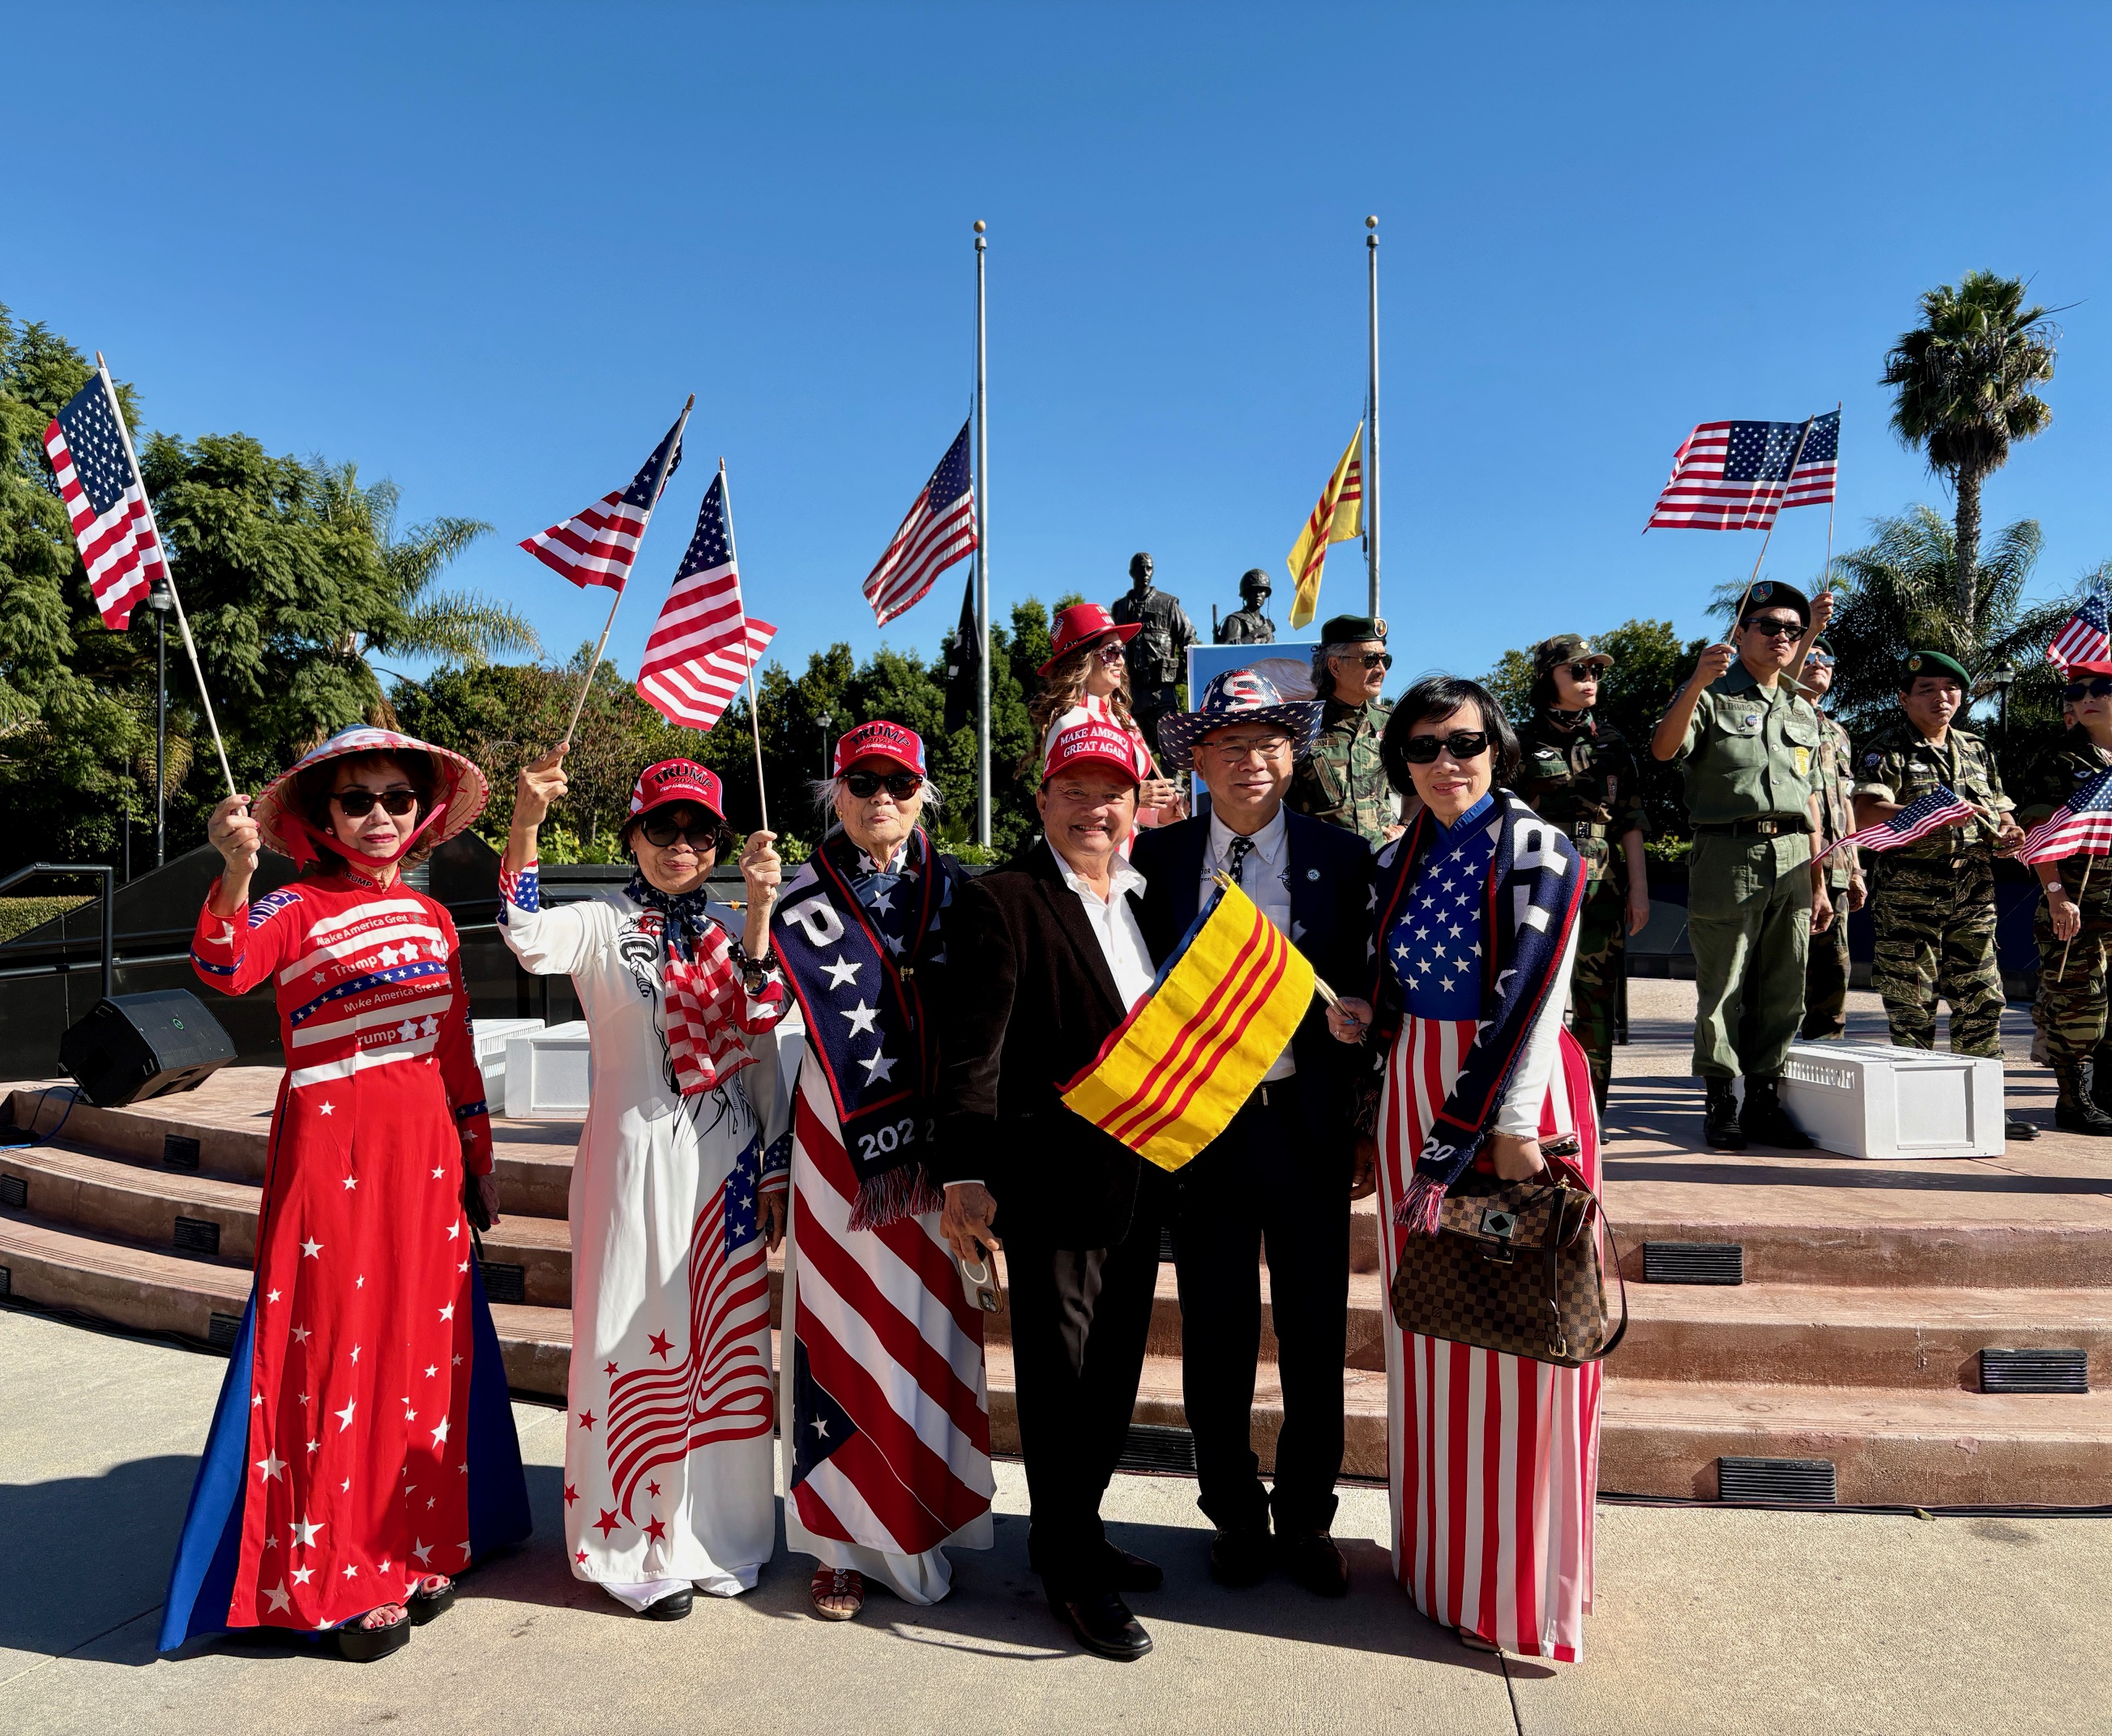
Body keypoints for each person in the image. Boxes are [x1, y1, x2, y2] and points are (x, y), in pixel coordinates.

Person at [162, 728, 530, 1661]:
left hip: (425, 1146)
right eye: (356, 800)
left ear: (422, 812)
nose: (378, 817)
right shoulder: (289, 906)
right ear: (322, 817)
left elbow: (454, 1047)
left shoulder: (433, 920)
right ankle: (337, 1574)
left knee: (421, 1345)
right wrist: (233, 875)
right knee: (334, 1353)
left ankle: (422, 1542)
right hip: (333, 1142)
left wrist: (477, 1156)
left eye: (397, 799)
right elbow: (222, 968)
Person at [1325, 676, 1601, 1661]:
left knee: (1522, 1338)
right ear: (1399, 760)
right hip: (1416, 1098)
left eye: (1466, 742)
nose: (1447, 762)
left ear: (1500, 747)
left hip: (1503, 1099)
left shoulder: (1539, 850)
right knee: (1434, 1333)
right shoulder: (1399, 856)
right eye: (1424, 746)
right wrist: (1361, 1018)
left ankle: (1522, 1590)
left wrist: (1514, 1124)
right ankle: (1441, 1565)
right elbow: (1398, 987)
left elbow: (1538, 996)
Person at [496, 750, 789, 1618]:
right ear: (633, 835)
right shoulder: (598, 920)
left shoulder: (730, 929)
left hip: (725, 1167)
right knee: (633, 1334)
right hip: (633, 1160)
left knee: (726, 1346)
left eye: (699, 832)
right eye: (662, 827)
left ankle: (717, 1534)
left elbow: (763, 1040)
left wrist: (763, 914)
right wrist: (524, 824)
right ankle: (632, 1541)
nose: (681, 844)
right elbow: (522, 932)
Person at [1132, 669, 1373, 1596]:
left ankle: (1306, 1518)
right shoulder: (1152, 861)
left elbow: (1370, 992)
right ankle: (1232, 1514)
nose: (1250, 760)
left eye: (1268, 741)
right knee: (1216, 1333)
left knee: (1314, 1336)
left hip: (1302, 1127)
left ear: (1294, 753)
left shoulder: (1341, 857)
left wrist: (1357, 1097)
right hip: (1199, 1132)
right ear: (1197, 758)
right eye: (1230, 744)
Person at [933, 715, 1168, 1662]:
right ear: (1040, 803)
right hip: (1051, 1182)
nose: (1092, 809)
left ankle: (1080, 1526)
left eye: (1109, 793)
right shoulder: (1006, 900)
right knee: (1061, 1379)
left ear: (1135, 808)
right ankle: (1068, 1570)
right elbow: (972, 1049)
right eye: (1072, 792)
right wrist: (963, 1171)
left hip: (1143, 1176)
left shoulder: (1151, 901)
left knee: (1111, 1374)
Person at [769, 720, 993, 1621]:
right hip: (837, 1147)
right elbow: (754, 1005)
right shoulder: (793, 901)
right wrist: (750, 915)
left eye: (897, 783)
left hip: (939, 1151)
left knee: (930, 1336)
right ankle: (838, 1544)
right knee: (840, 1333)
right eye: (861, 783)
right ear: (835, 793)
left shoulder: (963, 895)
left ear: (924, 791)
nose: (879, 800)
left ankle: (925, 1514)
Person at [1649, 580, 1834, 1151]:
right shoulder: (1710, 694)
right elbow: (1662, 750)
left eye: (1793, 631)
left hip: (1795, 856)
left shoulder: (1800, 708)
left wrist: (1820, 881)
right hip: (1729, 852)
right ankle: (1721, 1102)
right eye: (1769, 626)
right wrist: (1697, 683)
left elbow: (1809, 799)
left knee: (1785, 987)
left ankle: (1763, 1101)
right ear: (1741, 631)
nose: (1782, 637)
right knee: (1724, 983)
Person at [1853, 651, 2037, 1142]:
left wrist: (2009, 830)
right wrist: (1928, 814)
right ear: (1905, 698)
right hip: (1910, 897)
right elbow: (1868, 810)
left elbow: (2001, 809)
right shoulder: (1887, 747)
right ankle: (1917, 1109)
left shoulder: (1977, 748)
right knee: (1912, 1004)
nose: (1941, 697)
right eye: (1928, 689)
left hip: (1973, 894)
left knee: (1982, 1000)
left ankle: (1985, 1107)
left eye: (1950, 689)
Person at [1515, 634, 1650, 1111]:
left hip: (1604, 884)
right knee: (1532, 996)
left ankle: (1592, 1110)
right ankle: (1534, 1108)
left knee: (1596, 1001)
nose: (1589, 679)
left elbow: (1631, 820)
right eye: (1577, 670)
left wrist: (1639, 889)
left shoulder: (1612, 742)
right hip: (1540, 877)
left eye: (1594, 671)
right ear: (1547, 677)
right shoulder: (1519, 742)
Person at [2016, 663, 2112, 1133]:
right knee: (2078, 1005)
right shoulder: (2061, 759)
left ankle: (2105, 1095)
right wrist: (2056, 894)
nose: (2087, 697)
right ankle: (2075, 1102)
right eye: (2077, 690)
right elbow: (2038, 830)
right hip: (2077, 905)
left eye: (2101, 688)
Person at [1024, 601, 1186, 826]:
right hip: (1090, 857)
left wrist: (1159, 814)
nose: (1120, 659)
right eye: (1111, 651)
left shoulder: (1123, 719)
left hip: (1122, 855)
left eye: (1122, 651)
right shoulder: (1071, 723)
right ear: (1082, 658)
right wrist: (1136, 794)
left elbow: (1120, 811)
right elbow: (1076, 808)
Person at [1794, 639, 1866, 1040]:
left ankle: (1827, 1057)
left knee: (1834, 972)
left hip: (1836, 870)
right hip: (1792, 866)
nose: (1819, 664)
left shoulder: (1837, 732)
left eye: (1827, 659)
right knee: (1786, 974)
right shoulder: (1778, 719)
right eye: (1809, 658)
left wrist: (1856, 868)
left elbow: (1846, 803)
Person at [1285, 614, 1400, 849]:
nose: (1381, 670)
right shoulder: (1299, 726)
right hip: (1322, 873)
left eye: (1384, 660)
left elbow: (1419, 780)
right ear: (1335, 666)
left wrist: (1406, 824)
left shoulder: (1391, 724)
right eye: (1370, 660)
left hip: (1385, 868)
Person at [1108, 552, 1199, 754]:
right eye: (1141, 568)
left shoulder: (1167, 604)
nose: (1145, 573)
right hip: (1130, 693)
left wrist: (1186, 676)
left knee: (1170, 747)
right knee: (1135, 750)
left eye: (1149, 568)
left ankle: (1175, 787)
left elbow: (1189, 640)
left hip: (1161, 693)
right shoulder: (1120, 607)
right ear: (1132, 572)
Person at [1215, 567, 1278, 644]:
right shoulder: (1235, 620)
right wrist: (1253, 635)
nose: (1258, 594)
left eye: (1261, 591)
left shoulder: (1267, 625)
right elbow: (1226, 652)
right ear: (1246, 594)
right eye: (1253, 590)